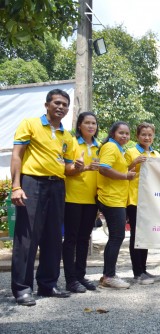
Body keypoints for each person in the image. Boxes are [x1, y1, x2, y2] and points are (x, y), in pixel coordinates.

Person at [10, 89, 75, 306]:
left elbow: (68, 166)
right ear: (46, 105)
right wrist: (16, 186)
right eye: (56, 103)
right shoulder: (30, 124)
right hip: (32, 183)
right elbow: (17, 155)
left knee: (54, 237)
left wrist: (79, 167)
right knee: (27, 238)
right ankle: (22, 289)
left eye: (65, 104)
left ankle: (47, 284)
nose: (60, 107)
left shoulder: (67, 136)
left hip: (57, 185)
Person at [62, 112, 100, 293]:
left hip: (92, 200)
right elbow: (65, 170)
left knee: (85, 239)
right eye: (87, 123)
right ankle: (70, 280)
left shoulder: (100, 146)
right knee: (71, 239)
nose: (91, 126)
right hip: (73, 197)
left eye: (93, 123)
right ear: (79, 126)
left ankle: (80, 276)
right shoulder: (71, 143)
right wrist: (81, 168)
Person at [97, 121, 136, 289]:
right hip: (111, 198)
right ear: (113, 133)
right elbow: (103, 168)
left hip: (118, 198)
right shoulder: (110, 147)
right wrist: (125, 176)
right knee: (116, 237)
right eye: (121, 133)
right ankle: (109, 276)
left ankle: (109, 274)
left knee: (116, 236)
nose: (125, 136)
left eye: (127, 133)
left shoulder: (118, 149)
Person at [125, 123, 160, 285]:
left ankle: (144, 269)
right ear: (137, 136)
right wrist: (134, 162)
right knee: (135, 235)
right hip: (134, 199)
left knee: (145, 236)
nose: (147, 137)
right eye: (143, 134)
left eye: (149, 135)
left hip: (150, 200)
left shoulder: (156, 153)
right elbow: (122, 170)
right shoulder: (130, 152)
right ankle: (137, 272)